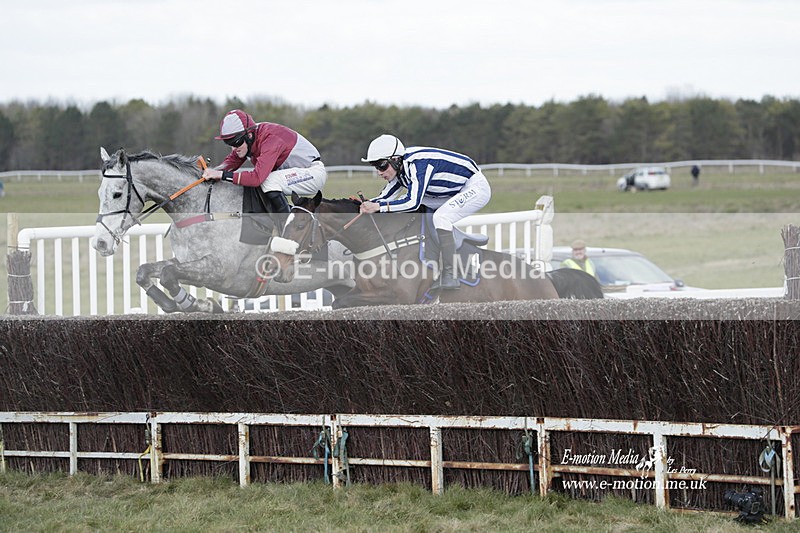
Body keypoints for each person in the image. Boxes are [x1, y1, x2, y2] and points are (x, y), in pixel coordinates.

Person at [359, 134, 492, 290]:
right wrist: (364, 205)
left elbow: (411, 202)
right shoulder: (400, 168)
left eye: (381, 166)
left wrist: (379, 207)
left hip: (474, 187)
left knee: (441, 217)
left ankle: (451, 273)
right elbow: (384, 197)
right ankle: (433, 262)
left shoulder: (418, 165)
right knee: (420, 208)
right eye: (375, 166)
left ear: (395, 160)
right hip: (451, 191)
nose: (379, 172)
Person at [202, 109, 326, 216]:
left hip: (312, 174)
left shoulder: (270, 139)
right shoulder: (249, 138)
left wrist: (222, 175)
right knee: (261, 183)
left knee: (268, 181)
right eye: (229, 144)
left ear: (249, 136)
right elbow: (229, 164)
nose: (234, 148)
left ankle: (286, 225)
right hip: (295, 174)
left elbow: (257, 178)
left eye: (236, 143)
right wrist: (209, 173)